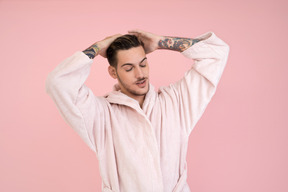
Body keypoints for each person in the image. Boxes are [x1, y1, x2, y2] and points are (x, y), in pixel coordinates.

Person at [45, 29, 229, 192]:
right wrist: (98, 46)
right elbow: (58, 82)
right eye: (128, 68)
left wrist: (160, 42)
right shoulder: (101, 114)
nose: (140, 74)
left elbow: (217, 53)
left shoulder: (175, 102)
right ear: (113, 72)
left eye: (143, 64)